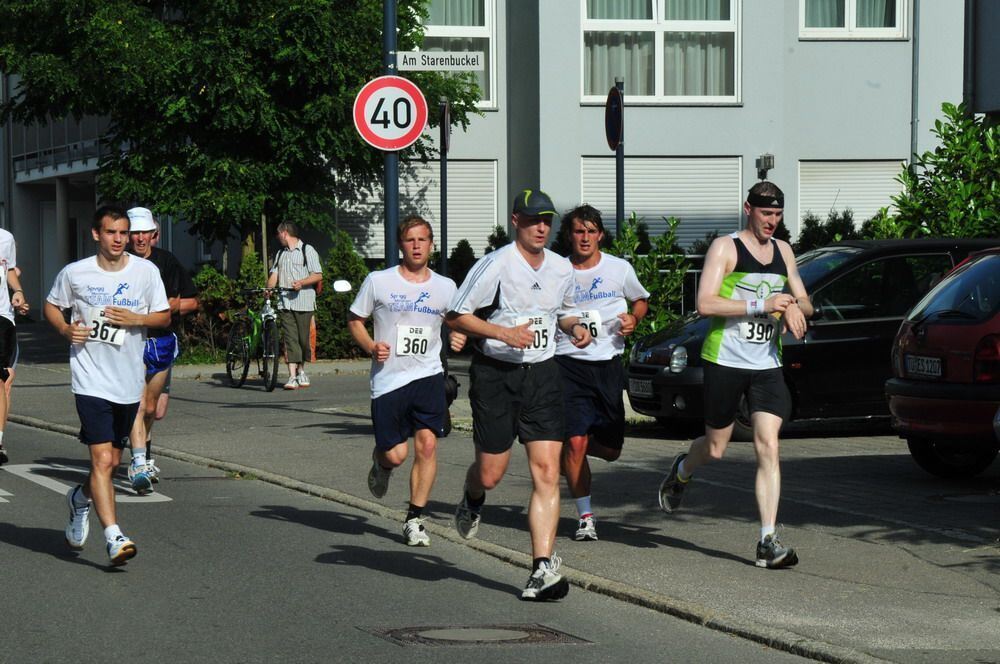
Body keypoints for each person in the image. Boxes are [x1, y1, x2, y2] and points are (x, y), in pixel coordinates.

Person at [657, 181, 812, 569]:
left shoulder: (784, 251)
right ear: (748, 209)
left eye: (777, 215)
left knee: (768, 445)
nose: (771, 222)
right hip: (725, 360)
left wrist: (795, 306)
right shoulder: (726, 248)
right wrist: (764, 303)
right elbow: (705, 302)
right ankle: (682, 470)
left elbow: (806, 299)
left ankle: (767, 540)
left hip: (766, 365)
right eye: (765, 214)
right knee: (716, 446)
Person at [447, 189, 591, 601]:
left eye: (547, 220)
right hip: (496, 375)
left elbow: (563, 311)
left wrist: (574, 328)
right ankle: (473, 496)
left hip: (542, 375)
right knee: (490, 472)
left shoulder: (562, 268)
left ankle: (541, 568)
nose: (542, 227)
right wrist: (502, 333)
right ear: (516, 221)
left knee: (547, 471)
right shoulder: (494, 265)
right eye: (533, 220)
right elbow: (456, 314)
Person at [44, 205, 170, 565]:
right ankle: (114, 536)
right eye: (112, 232)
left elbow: (163, 316)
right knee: (101, 458)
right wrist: (65, 329)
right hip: (89, 378)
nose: (119, 239)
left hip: (128, 380)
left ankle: (79, 499)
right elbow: (53, 306)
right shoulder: (76, 273)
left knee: (112, 462)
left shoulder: (146, 272)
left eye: (124, 233)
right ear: (96, 234)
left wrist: (138, 318)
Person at [347, 215, 466, 546]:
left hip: (428, 375)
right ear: (401, 245)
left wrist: (457, 336)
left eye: (423, 240)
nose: (417, 246)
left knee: (427, 444)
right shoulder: (379, 281)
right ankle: (380, 463)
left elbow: (458, 321)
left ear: (431, 244)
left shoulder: (445, 287)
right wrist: (371, 346)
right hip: (389, 381)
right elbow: (355, 319)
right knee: (396, 454)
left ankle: (415, 518)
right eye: (410, 240)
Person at [554, 205, 649, 542]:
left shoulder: (619, 269)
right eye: (579, 231)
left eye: (591, 231)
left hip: (608, 364)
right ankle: (585, 517)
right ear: (569, 235)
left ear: (600, 235)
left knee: (611, 450)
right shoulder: (557, 270)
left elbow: (640, 300)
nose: (585, 238)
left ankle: (570, 446)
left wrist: (633, 319)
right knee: (577, 442)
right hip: (568, 364)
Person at [125, 207, 200, 493]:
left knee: (154, 409)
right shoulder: (121, 263)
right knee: (140, 403)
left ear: (154, 235)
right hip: (132, 340)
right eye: (135, 233)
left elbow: (190, 301)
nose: (140, 238)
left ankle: (141, 448)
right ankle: (139, 461)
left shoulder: (166, 262)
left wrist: (167, 309)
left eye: (144, 232)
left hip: (162, 340)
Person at [266, 221, 323, 390]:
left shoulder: (308, 250)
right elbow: (274, 274)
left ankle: (301, 371)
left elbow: (318, 275)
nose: (278, 238)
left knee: (303, 340)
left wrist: (302, 283)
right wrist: (268, 289)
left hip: (304, 302)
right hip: (285, 302)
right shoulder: (280, 254)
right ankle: (292, 376)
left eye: (278, 234)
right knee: (290, 339)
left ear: (284, 233)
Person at [0, 228, 29, 465]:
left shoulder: (5, 238)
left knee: (2, 379)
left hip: (1, 316)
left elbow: (9, 270)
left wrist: (18, 291)